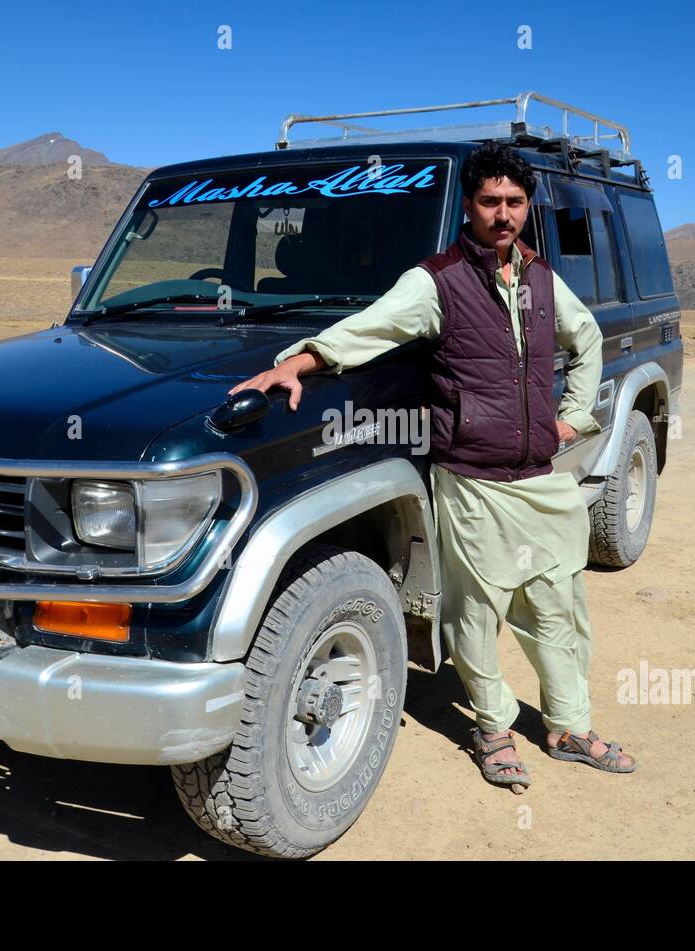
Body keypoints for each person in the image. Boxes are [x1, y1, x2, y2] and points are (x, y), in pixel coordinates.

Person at [230, 141, 636, 791]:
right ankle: (493, 729)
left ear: (526, 206)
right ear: (469, 208)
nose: (502, 213)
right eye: (489, 201)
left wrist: (575, 417)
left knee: (560, 605)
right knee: (475, 615)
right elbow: (368, 329)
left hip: (541, 474)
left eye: (513, 201)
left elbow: (585, 338)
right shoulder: (437, 281)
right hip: (472, 478)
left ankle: (569, 725)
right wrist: (299, 361)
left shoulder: (538, 279)